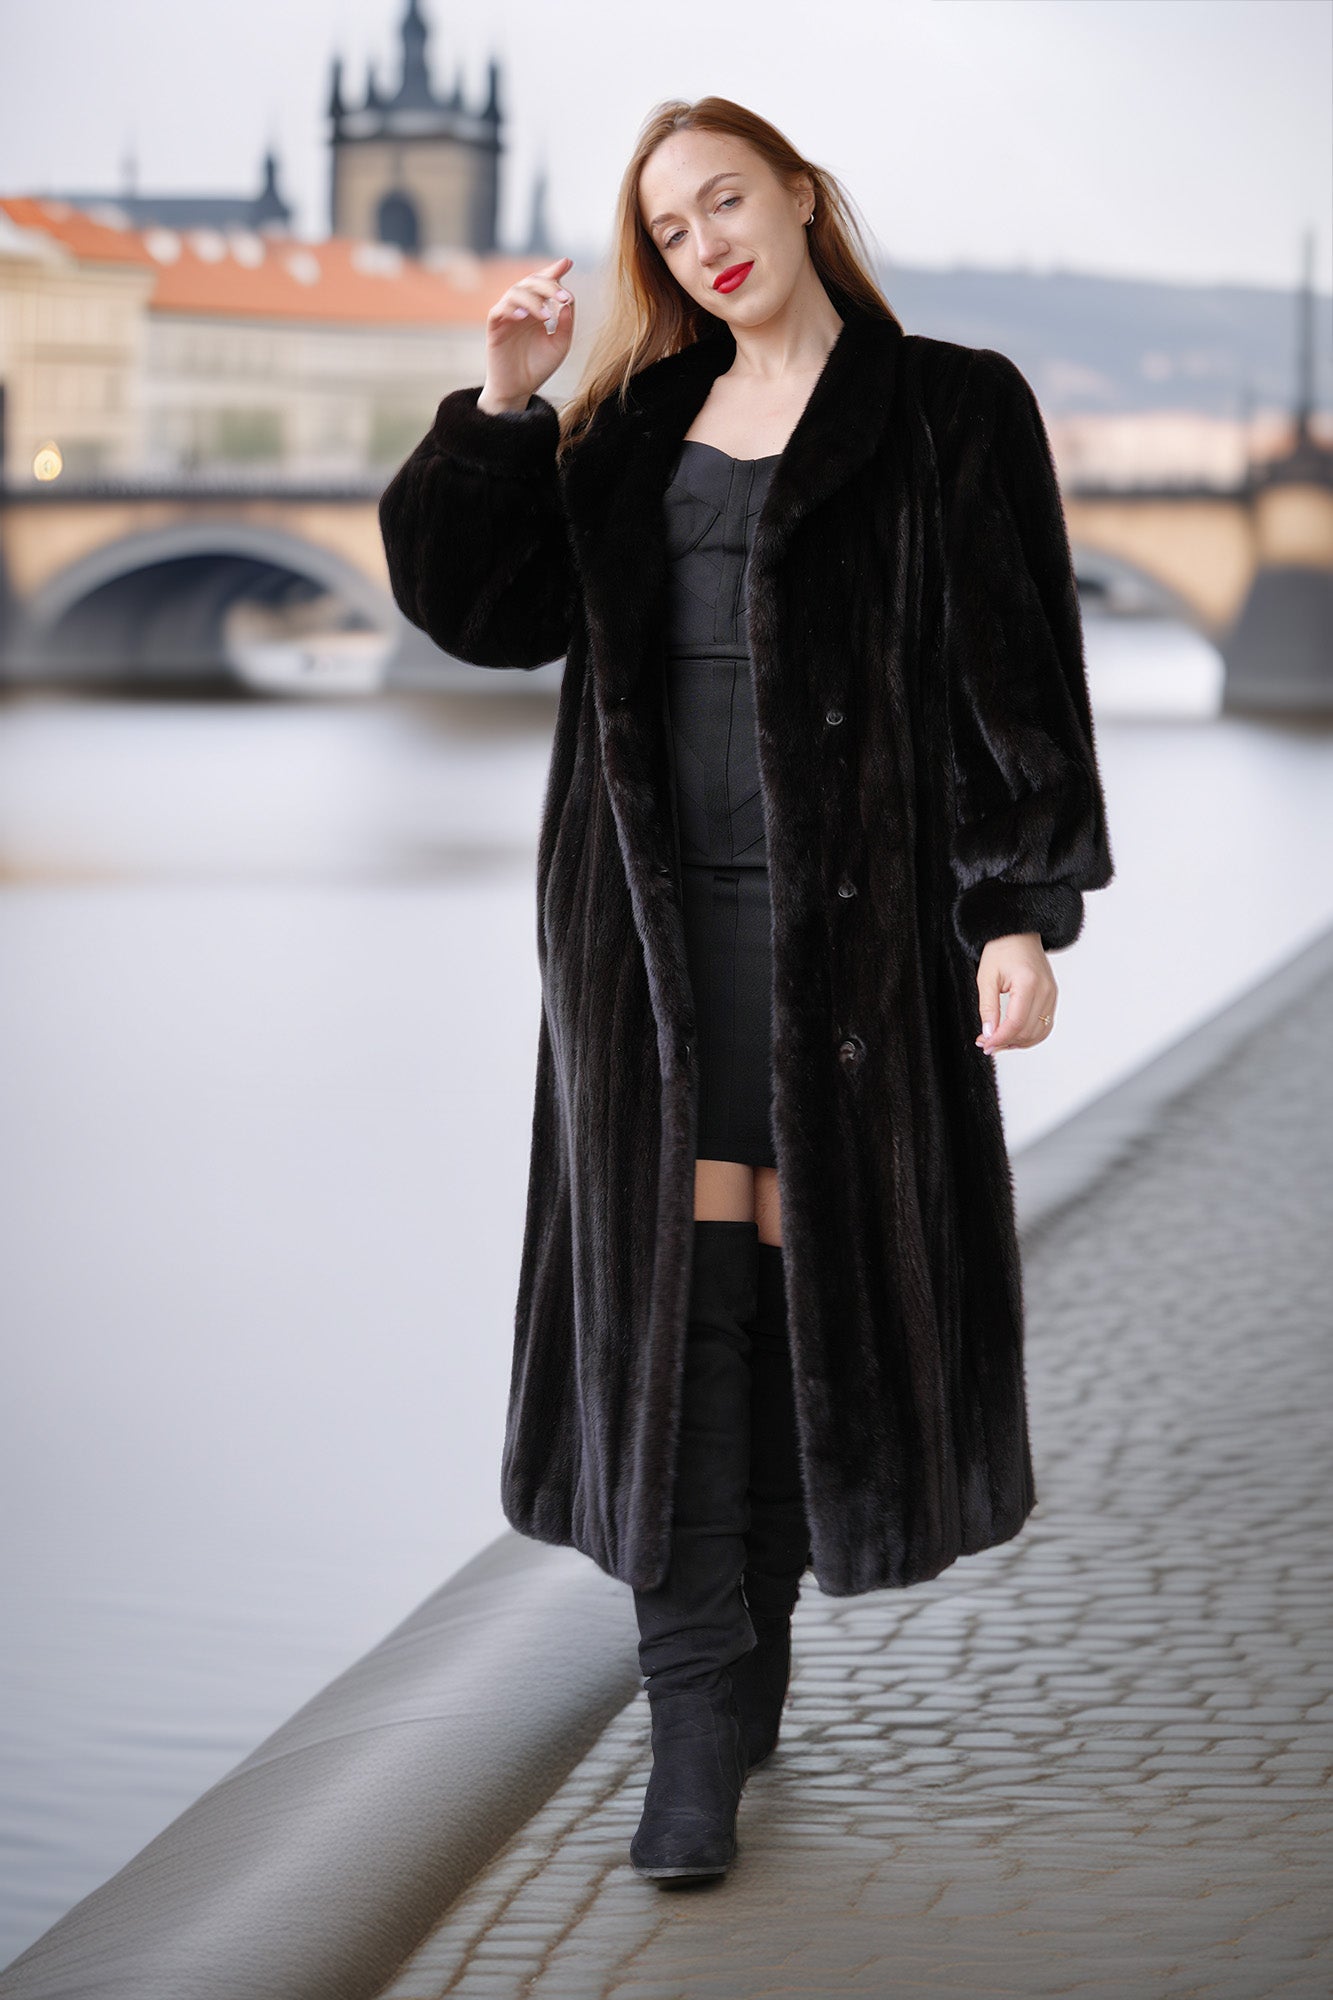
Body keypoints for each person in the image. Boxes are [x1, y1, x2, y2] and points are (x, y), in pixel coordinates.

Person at [378, 96, 1114, 1887]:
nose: (710, 236)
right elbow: (478, 612)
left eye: (731, 196)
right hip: (637, 942)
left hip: (855, 937)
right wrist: (502, 405)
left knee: (802, 1299)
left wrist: (1012, 909)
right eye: (673, 222)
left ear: (798, 196)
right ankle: (693, 1723)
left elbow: (1012, 670)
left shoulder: (950, 407)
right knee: (677, 1302)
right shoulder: (626, 429)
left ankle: (747, 1654)